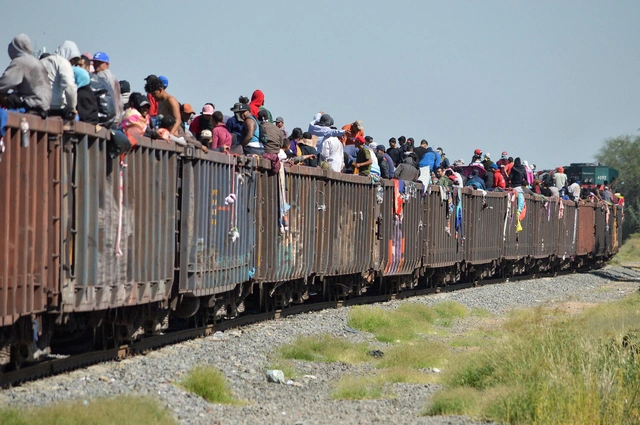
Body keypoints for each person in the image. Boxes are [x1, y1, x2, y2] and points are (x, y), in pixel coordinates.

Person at [0, 34, 52, 117]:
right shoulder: (37, 62)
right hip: (45, 106)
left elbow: (4, 83)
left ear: (15, 47)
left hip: (31, 104)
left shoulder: (20, 61)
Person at [41, 40, 80, 119]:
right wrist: (72, 108)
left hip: (39, 107)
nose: (72, 63)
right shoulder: (63, 63)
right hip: (56, 108)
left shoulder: (42, 61)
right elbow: (70, 87)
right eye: (73, 60)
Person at [92, 52, 122, 122]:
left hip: (106, 116)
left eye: (99, 62)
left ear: (107, 64)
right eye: (95, 62)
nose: (96, 64)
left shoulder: (102, 75)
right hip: (115, 116)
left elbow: (105, 96)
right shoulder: (113, 76)